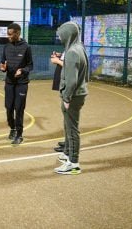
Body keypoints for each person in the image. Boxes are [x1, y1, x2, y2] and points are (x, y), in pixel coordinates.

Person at [54, 21, 89, 175]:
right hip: (77, 94)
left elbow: (72, 80)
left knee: (72, 129)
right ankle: (68, 154)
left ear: (68, 35)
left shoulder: (72, 52)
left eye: (62, 36)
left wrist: (67, 98)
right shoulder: (79, 48)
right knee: (69, 126)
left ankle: (73, 163)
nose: (60, 39)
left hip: (73, 96)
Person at [0, 23, 33, 145]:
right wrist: (3, 67)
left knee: (19, 108)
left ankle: (19, 134)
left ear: (17, 33)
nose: (8, 36)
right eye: (7, 33)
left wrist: (22, 70)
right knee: (9, 108)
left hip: (21, 83)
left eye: (10, 34)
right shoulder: (6, 47)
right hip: (9, 83)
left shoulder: (26, 47)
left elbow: (30, 65)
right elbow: (3, 63)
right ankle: (12, 128)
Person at [51, 50, 65, 152]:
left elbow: (71, 67)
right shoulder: (69, 47)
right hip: (64, 86)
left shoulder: (75, 48)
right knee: (66, 117)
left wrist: (57, 61)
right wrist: (60, 56)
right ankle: (68, 141)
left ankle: (69, 146)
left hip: (68, 88)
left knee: (69, 119)